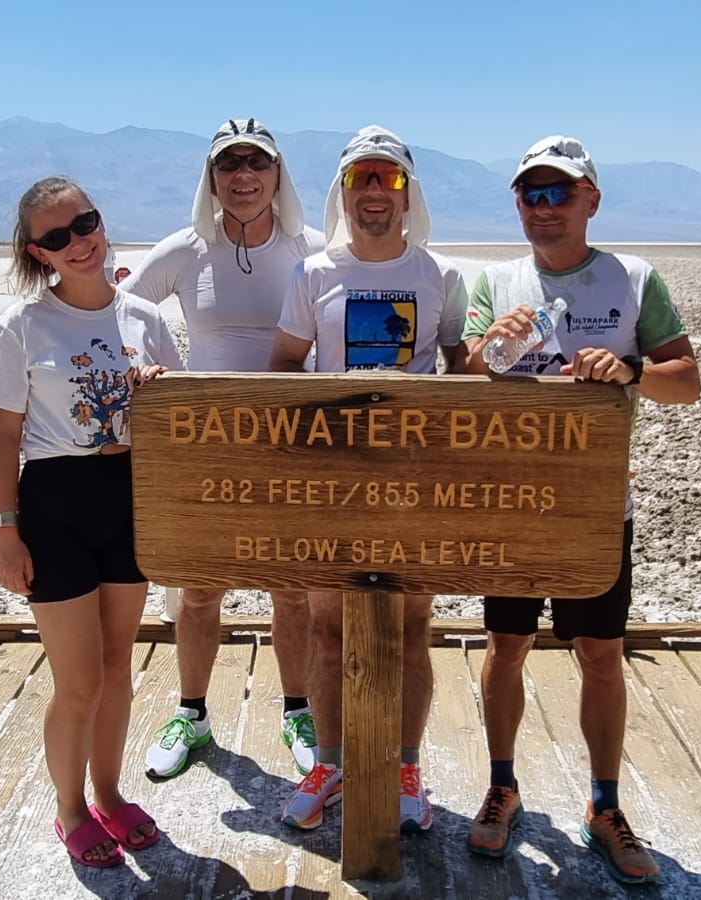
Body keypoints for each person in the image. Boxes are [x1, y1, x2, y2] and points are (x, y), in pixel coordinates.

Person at [456, 136, 701, 883]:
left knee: (600, 652)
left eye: (560, 192)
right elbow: (465, 374)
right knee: (506, 643)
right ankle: (502, 787)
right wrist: (486, 349)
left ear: (592, 198)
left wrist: (628, 370)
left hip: (594, 504)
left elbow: (685, 379)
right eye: (532, 193)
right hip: (510, 501)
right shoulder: (494, 280)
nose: (545, 207)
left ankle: (604, 805)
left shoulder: (633, 278)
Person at [0, 176, 184, 868]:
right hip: (56, 503)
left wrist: (156, 390)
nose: (79, 242)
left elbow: (182, 415)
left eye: (84, 223)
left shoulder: (145, 318)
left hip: (129, 496)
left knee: (119, 664)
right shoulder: (22, 327)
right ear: (39, 253)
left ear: (99, 220)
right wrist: (6, 530)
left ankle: (110, 795)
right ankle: (69, 811)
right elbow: (4, 437)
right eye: (57, 237)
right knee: (79, 682)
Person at [267, 125, 468, 833]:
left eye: (386, 178)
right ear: (344, 192)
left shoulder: (438, 277)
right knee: (326, 626)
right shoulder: (314, 275)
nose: (374, 192)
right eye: (361, 179)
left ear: (407, 192)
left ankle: (404, 763)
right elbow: (286, 367)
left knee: (413, 628)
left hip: (412, 485)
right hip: (332, 484)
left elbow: (463, 370)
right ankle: (331, 761)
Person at [121, 118, 327, 780]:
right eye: (229, 164)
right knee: (201, 589)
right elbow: (121, 313)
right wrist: (157, 368)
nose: (244, 176)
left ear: (277, 174)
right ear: (211, 177)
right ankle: (192, 713)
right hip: (208, 449)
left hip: (293, 447)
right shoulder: (185, 249)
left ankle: (298, 710)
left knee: (291, 590)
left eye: (256, 163)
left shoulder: (311, 248)